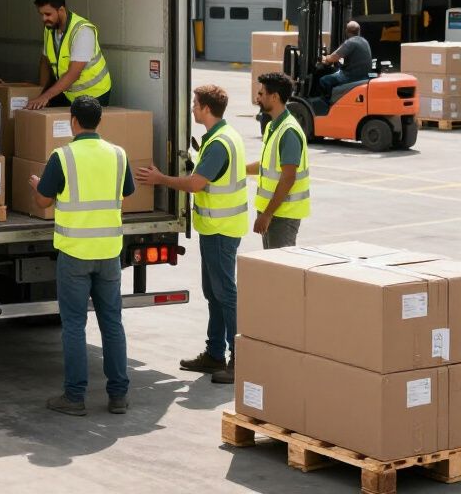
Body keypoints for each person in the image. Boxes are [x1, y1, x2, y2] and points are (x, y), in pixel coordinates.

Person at [28, 95, 133, 416]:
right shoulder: (118, 154)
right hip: (109, 253)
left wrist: (36, 185)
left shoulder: (63, 157)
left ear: (73, 121)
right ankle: (118, 396)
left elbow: (44, 202)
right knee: (112, 323)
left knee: (74, 325)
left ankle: (75, 397)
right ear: (99, 121)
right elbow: (127, 192)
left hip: (75, 254)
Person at [136, 84, 246, 385]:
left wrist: (160, 179)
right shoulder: (221, 136)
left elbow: (196, 184)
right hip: (216, 228)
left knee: (225, 294)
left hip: (222, 230)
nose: (193, 109)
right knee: (214, 293)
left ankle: (240, 360)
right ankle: (214, 354)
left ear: (207, 109)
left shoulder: (219, 143)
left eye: (195, 104)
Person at [249, 72, 310, 249]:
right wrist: (238, 169)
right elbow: (267, 166)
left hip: (282, 215)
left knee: (281, 270)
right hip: (274, 212)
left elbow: (288, 177)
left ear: (274, 97)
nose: (257, 98)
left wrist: (267, 214)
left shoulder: (288, 131)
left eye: (261, 94)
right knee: (272, 268)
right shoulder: (272, 126)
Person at [27, 0, 112, 110]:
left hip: (94, 93)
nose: (43, 19)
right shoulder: (49, 29)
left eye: (48, 14)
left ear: (61, 10)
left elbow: (74, 73)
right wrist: (41, 92)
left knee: (81, 127)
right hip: (69, 93)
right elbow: (45, 61)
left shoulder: (82, 31)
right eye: (41, 14)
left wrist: (45, 96)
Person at [319, 21, 372, 100]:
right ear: (359, 31)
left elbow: (334, 57)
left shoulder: (351, 42)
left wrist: (325, 58)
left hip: (351, 76)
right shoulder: (364, 41)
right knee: (335, 71)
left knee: (324, 80)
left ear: (347, 31)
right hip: (363, 74)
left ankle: (327, 103)